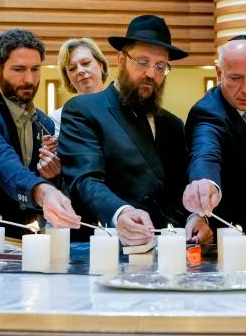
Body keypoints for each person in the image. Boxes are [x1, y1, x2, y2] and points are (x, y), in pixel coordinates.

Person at [59, 15, 189, 246]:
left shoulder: (173, 124)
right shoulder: (84, 110)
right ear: (120, 59)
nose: (151, 73)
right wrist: (120, 212)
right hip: (107, 247)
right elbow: (85, 180)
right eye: (142, 62)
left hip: (168, 251)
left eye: (160, 66)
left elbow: (180, 188)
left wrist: (195, 219)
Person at [0, 29, 79, 234]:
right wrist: (42, 190)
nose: (29, 79)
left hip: (29, 237)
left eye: (35, 69)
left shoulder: (45, 123)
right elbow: (1, 162)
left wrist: (51, 175)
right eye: (19, 69)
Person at [184, 36, 246, 243]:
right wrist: (205, 182)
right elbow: (205, 151)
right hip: (228, 237)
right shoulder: (206, 112)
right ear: (219, 73)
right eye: (235, 78)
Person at [50, 37, 109, 131]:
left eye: (86, 63)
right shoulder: (57, 119)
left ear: (101, 65)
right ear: (67, 77)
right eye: (72, 68)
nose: (80, 71)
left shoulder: (123, 108)